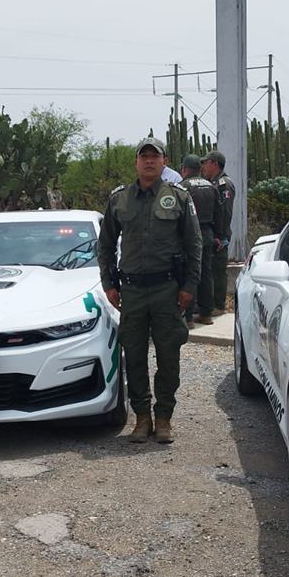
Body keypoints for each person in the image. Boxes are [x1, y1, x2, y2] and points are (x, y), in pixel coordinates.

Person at [97, 137, 202, 444]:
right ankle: (142, 418)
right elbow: (105, 246)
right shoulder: (119, 199)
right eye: (143, 156)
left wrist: (189, 286)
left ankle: (164, 417)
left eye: (154, 156)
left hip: (167, 289)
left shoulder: (178, 197)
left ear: (164, 161)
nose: (149, 161)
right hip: (131, 291)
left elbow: (194, 245)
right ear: (136, 162)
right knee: (134, 357)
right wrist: (109, 284)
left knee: (169, 356)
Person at [178, 155, 221, 328]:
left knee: (190, 273)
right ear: (200, 168)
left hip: (189, 235)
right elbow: (219, 213)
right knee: (206, 273)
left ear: (184, 169)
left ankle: (188, 317)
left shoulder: (183, 187)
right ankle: (206, 313)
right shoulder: (211, 186)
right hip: (208, 232)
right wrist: (219, 234)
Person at [201, 150, 236, 315]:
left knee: (218, 270)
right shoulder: (211, 183)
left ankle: (218, 305)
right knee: (210, 269)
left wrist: (221, 236)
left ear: (214, 163)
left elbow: (225, 211)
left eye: (206, 162)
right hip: (213, 234)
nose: (203, 166)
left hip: (219, 235)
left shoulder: (224, 184)